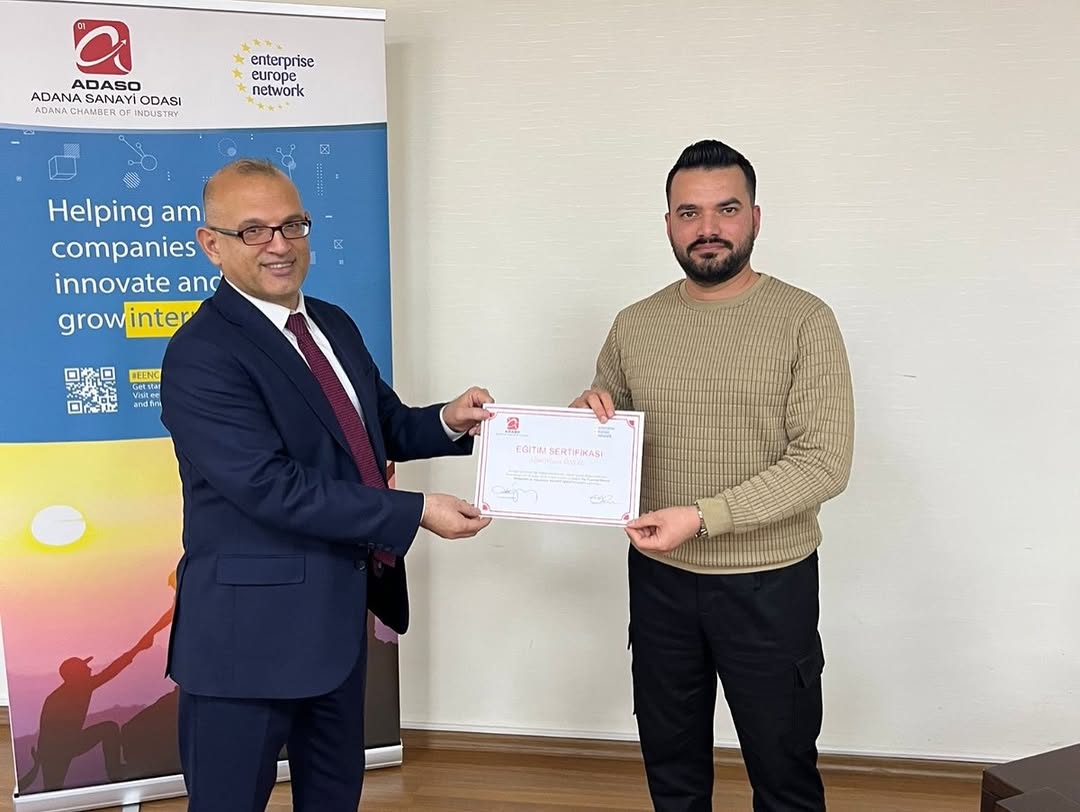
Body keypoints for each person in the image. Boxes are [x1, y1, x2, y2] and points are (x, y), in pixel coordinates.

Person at [160, 158, 493, 812]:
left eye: (292, 225)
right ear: (212, 245)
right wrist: (415, 510)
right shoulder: (202, 353)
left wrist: (449, 421)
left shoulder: (331, 324)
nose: (279, 245)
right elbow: (269, 487)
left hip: (335, 625)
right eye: (253, 230)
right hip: (244, 643)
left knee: (334, 797)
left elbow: (376, 427)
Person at [571, 139, 855, 812]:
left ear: (755, 217)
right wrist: (586, 420)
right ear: (668, 223)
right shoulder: (635, 325)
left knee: (783, 773)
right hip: (659, 580)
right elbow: (608, 426)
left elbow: (823, 462)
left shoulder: (805, 321)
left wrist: (702, 517)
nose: (708, 228)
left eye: (726, 210)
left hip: (769, 583)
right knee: (671, 769)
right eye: (688, 212)